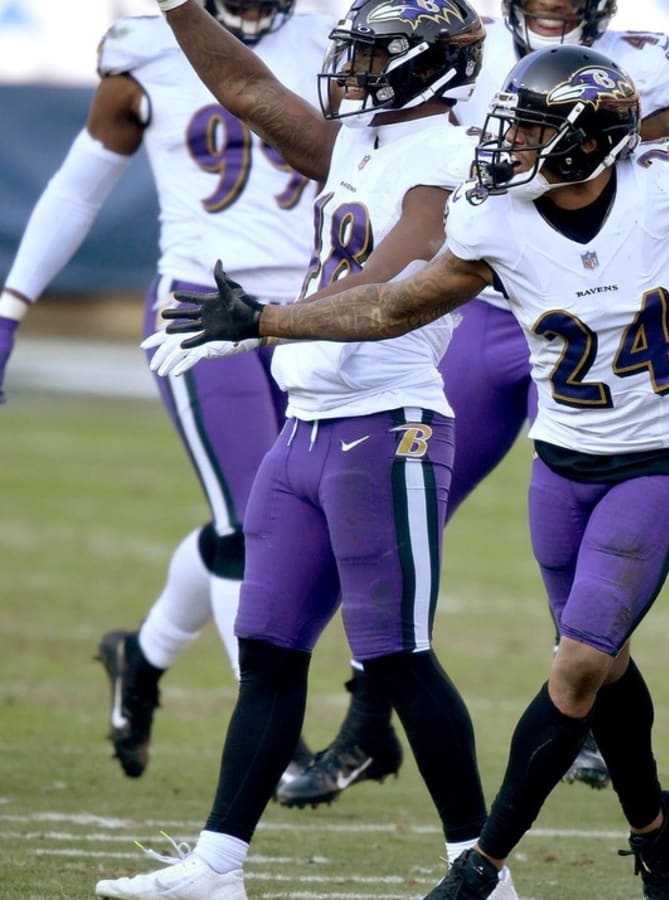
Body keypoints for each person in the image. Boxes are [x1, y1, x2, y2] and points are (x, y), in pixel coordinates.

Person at [147, 41, 669, 899]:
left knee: (579, 665)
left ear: (585, 140)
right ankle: (656, 830)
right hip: (561, 469)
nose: (508, 144)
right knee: (605, 669)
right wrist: (271, 320)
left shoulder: (667, 192)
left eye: (532, 128)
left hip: (655, 461)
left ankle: (481, 867)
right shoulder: (494, 219)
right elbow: (395, 304)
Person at [95, 0, 517, 898]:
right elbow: (246, 85)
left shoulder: (450, 166)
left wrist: (264, 322)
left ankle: (477, 869)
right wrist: (177, 5)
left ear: (430, 67)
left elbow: (388, 298)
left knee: (397, 653)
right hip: (310, 425)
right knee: (272, 648)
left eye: (372, 55)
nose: (352, 69)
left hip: (389, 425)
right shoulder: (362, 140)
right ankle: (218, 866)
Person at [281, 0, 669, 809]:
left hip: (605, 325)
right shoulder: (466, 52)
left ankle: (585, 705)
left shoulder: (645, 61)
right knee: (409, 517)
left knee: (608, 514)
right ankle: (367, 726)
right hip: (486, 309)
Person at [0, 0, 332, 780]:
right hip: (199, 308)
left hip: (313, 314)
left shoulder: (332, 35)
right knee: (252, 522)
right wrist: (12, 302)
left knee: (278, 523)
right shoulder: (149, 42)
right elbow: (81, 187)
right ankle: (276, 735)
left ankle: (142, 658)